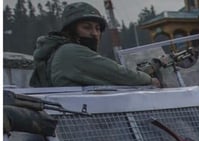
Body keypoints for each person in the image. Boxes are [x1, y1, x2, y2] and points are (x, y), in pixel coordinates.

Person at [30, 2, 160, 88]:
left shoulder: (60, 51)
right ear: (70, 30)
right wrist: (149, 80)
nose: (94, 33)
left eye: (97, 29)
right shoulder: (71, 52)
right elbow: (119, 74)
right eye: (87, 27)